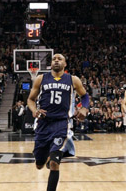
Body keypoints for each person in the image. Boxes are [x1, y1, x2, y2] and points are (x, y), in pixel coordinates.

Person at [27, 53, 89, 191]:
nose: (56, 60)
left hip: (61, 123)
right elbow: (30, 99)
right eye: (54, 59)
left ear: (65, 64)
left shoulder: (73, 80)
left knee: (55, 163)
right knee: (39, 165)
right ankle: (46, 157)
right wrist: (34, 110)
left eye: (59, 59)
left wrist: (84, 108)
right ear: (50, 64)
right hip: (43, 123)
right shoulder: (41, 79)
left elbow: (84, 96)